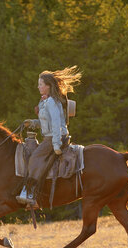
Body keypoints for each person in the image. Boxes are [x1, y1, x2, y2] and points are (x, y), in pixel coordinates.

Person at [17, 66, 82, 206]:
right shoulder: (46, 101)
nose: (38, 86)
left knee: (34, 158)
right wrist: (33, 123)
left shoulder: (52, 101)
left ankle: (30, 193)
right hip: (52, 136)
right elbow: (47, 122)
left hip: (54, 137)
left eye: (40, 84)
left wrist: (56, 143)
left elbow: (57, 123)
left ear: (48, 86)